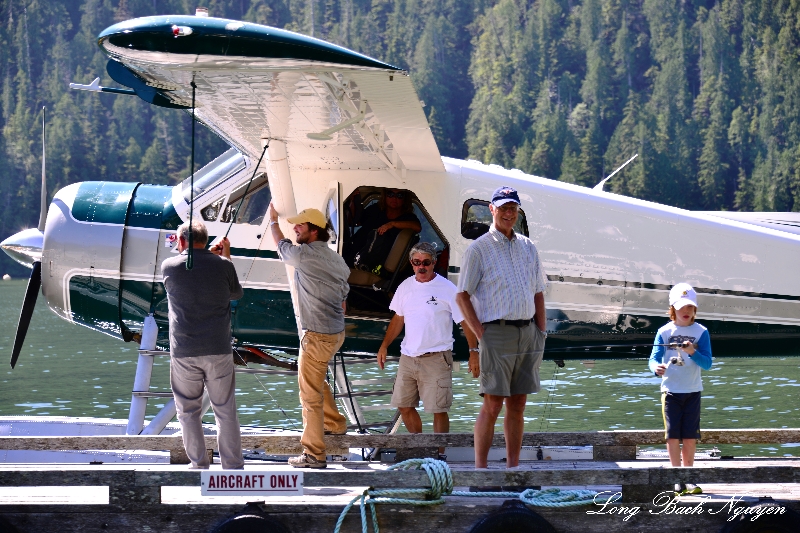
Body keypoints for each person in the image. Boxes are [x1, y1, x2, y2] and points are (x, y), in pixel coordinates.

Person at [455, 186, 548, 469]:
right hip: (496, 332)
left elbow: (538, 292)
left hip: (528, 332)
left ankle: (513, 468)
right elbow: (462, 296)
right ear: (492, 210)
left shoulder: (528, 247)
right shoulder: (479, 248)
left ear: (518, 212)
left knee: (518, 404)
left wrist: (541, 332)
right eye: (503, 208)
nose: (508, 213)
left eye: (513, 208)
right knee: (493, 404)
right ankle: (480, 471)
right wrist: (482, 336)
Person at [268, 202, 350, 469]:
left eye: (300, 225)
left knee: (308, 395)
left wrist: (272, 222)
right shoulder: (338, 261)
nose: (294, 228)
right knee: (315, 381)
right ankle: (335, 425)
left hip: (316, 334)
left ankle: (314, 454)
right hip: (336, 334)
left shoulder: (303, 255)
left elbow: (281, 246)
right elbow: (344, 300)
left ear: (314, 231)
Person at [376, 243, 478, 456]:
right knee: (403, 405)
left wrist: (474, 352)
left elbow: (466, 321)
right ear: (411, 263)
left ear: (434, 263)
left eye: (426, 263)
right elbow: (398, 318)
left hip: (437, 358)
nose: (421, 267)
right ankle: (421, 448)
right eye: (416, 262)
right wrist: (384, 346)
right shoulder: (405, 286)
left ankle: (440, 454)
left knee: (438, 410)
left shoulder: (448, 288)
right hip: (408, 357)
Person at [161, 220, 244, 470]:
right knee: (225, 410)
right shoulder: (223, 266)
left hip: (184, 351)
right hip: (218, 348)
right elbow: (235, 293)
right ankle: (232, 466)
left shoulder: (169, 267)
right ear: (205, 241)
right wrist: (224, 257)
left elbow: (191, 270)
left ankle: (198, 464)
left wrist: (208, 258)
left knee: (188, 410)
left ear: (183, 241)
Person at [649, 283, 713, 496]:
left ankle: (689, 477)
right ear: (672, 308)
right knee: (672, 437)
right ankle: (677, 478)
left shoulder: (701, 332)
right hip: (670, 392)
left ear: (695, 309)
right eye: (681, 307)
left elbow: (707, 364)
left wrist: (693, 351)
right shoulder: (664, 332)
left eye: (690, 307)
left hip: (693, 391)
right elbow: (653, 359)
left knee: (690, 437)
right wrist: (655, 368)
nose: (686, 311)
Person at [344, 188, 422, 267]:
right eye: (390, 194)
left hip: (371, 263)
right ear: (385, 195)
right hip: (352, 252)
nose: (394, 198)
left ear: (405, 198)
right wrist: (352, 200)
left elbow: (417, 227)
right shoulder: (375, 209)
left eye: (400, 195)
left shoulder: (407, 218)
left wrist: (392, 224)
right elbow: (354, 221)